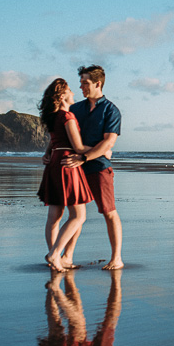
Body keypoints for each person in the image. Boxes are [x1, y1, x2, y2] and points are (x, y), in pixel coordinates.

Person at [59, 65, 124, 270]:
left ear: (98, 83)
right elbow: (64, 134)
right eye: (80, 83)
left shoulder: (111, 110)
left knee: (109, 211)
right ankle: (67, 257)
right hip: (75, 167)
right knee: (76, 215)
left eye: (85, 83)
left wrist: (84, 157)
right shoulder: (76, 109)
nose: (81, 87)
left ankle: (116, 258)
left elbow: (108, 144)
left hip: (98, 168)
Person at [37, 78, 94, 272]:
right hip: (67, 164)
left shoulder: (53, 116)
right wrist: (103, 149)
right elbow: (77, 146)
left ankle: (55, 258)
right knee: (78, 215)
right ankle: (55, 254)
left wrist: (47, 153)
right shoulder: (68, 116)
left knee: (54, 215)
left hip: (55, 162)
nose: (73, 93)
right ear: (62, 96)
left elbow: (54, 141)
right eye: (70, 90)